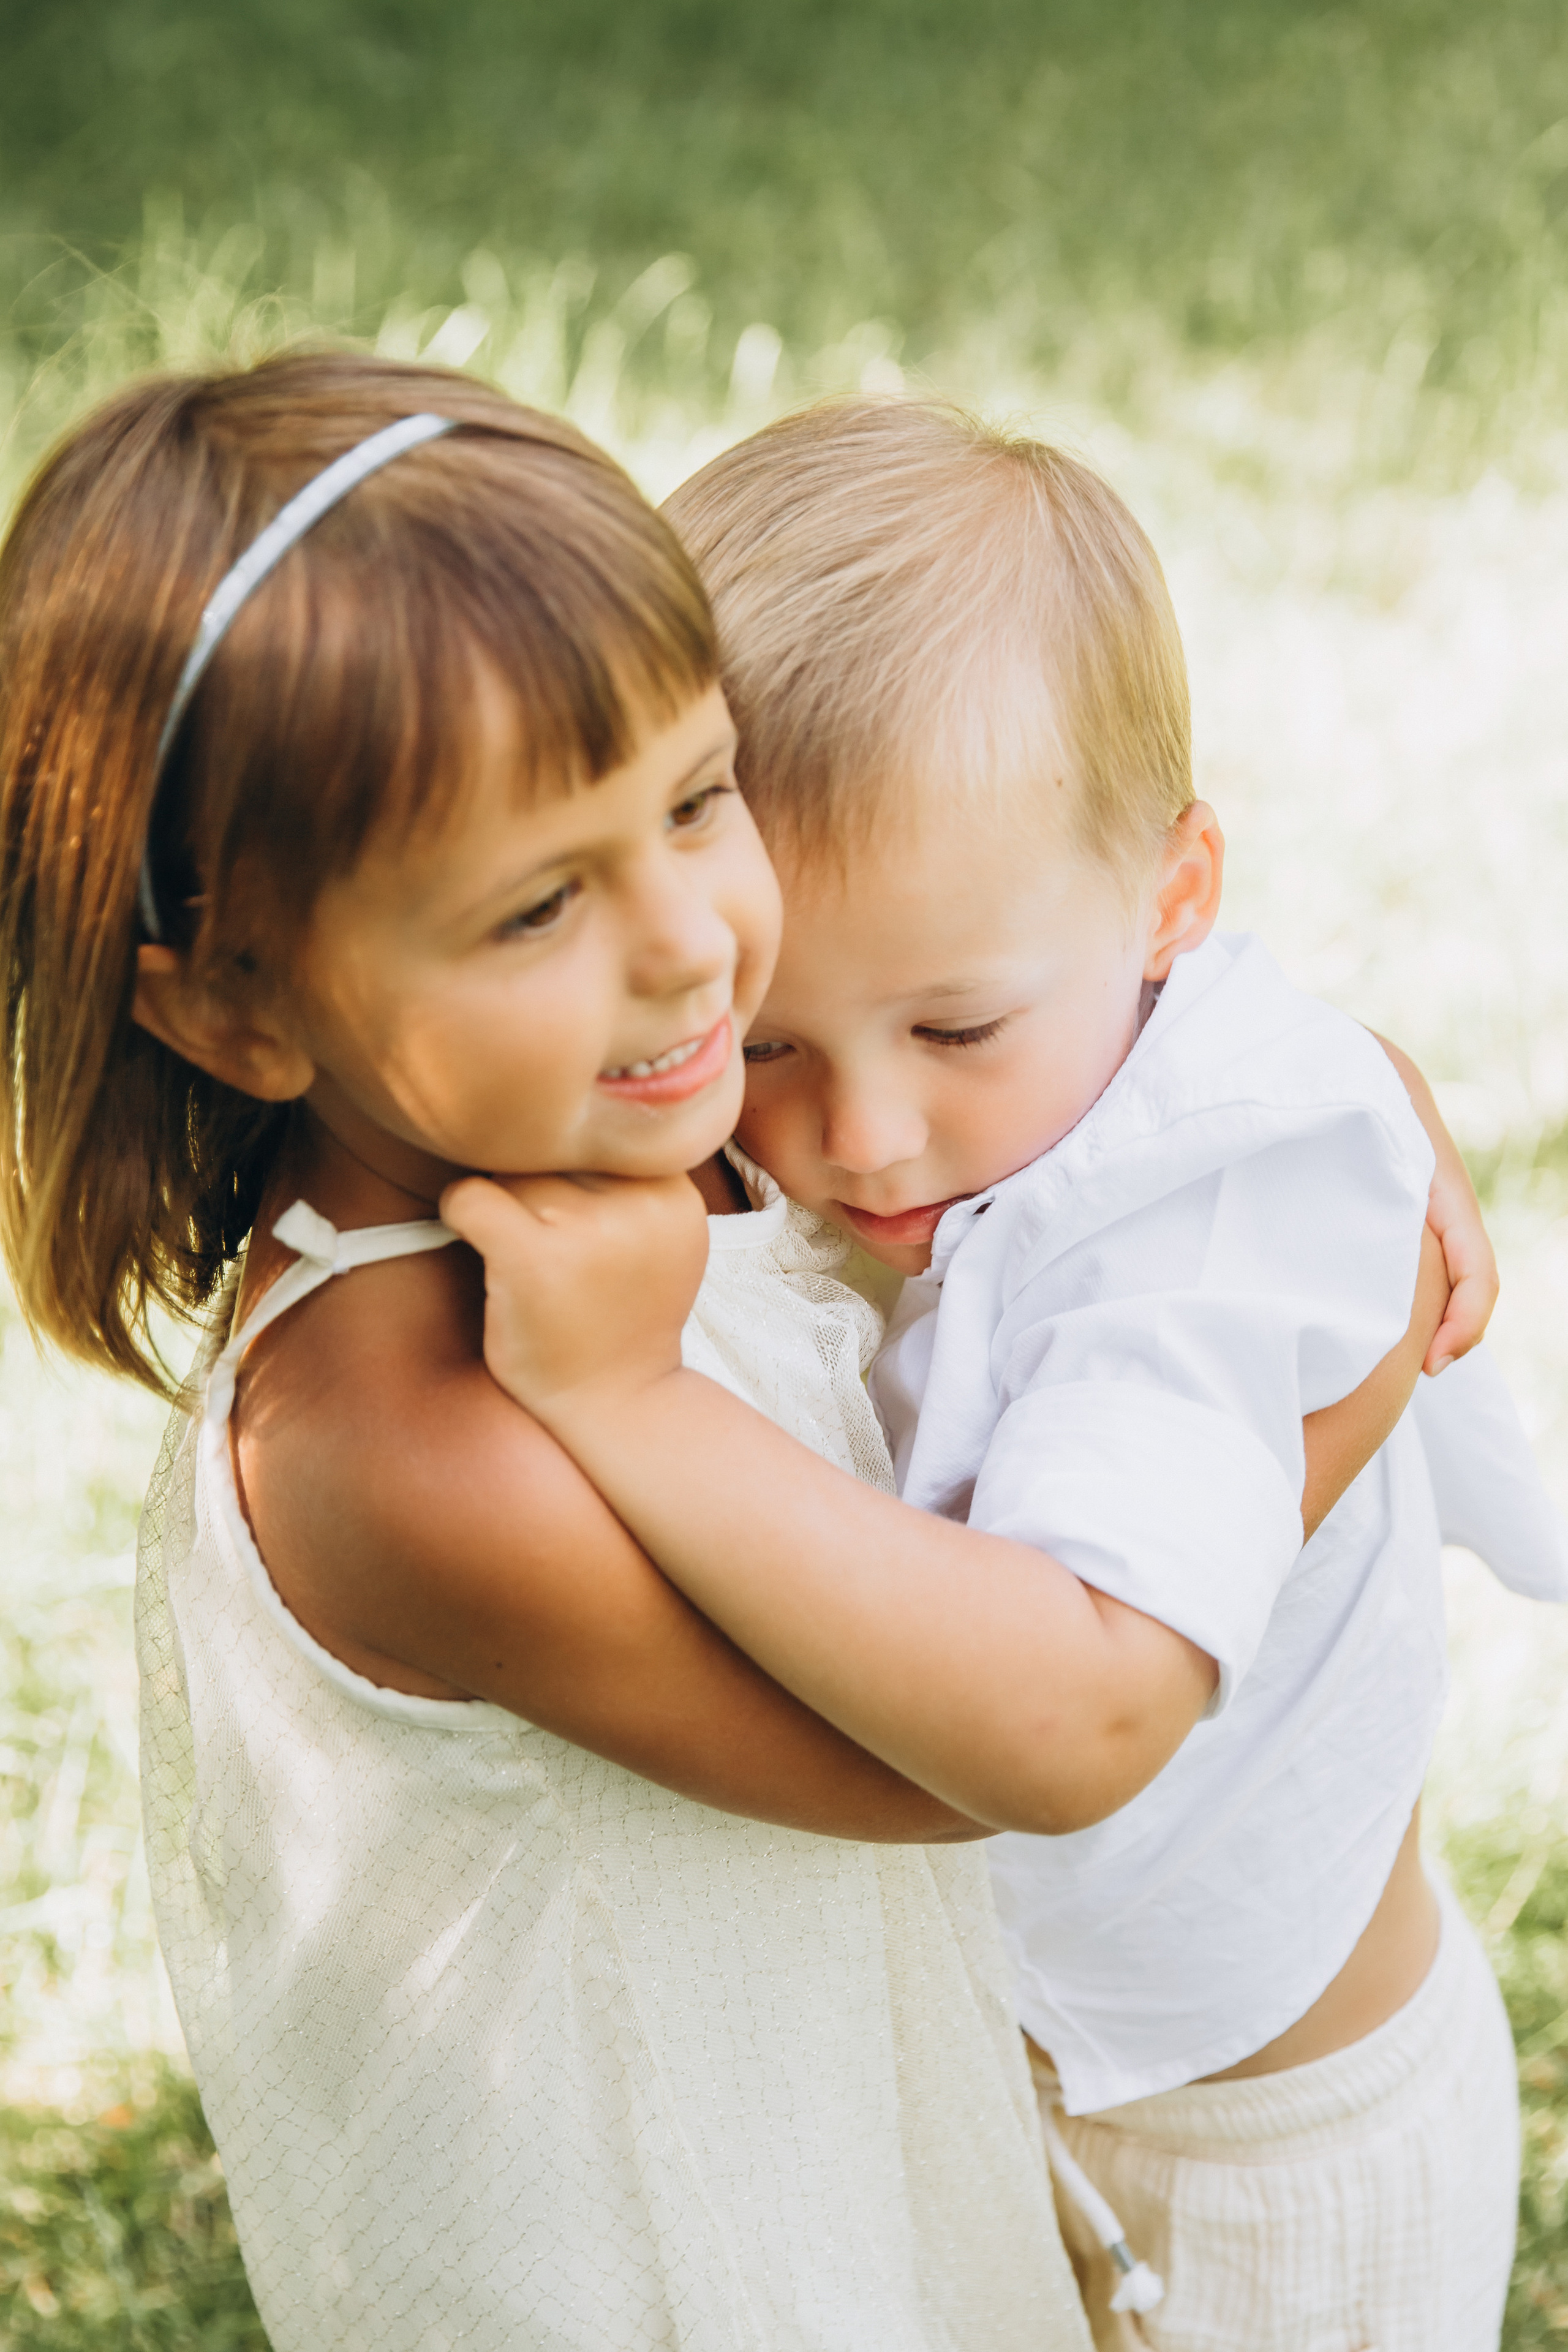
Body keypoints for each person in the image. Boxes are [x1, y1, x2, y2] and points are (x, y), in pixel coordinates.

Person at [442, 398, 1567, 2352]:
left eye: (955, 1025)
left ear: (1174, 902)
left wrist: (633, 1406)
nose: (864, 1135)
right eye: (764, 1039)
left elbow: (1077, 1716)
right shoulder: (1000, 1063)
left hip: (1250, 2181)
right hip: (1030, 2094)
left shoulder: (1207, 1215)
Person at [0, 354, 1097, 2351]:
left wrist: (1344, 1120)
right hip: (663, 2277)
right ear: (242, 1009)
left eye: (699, 797)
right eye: (536, 907)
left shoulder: (625, 1122)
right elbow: (959, 1754)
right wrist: (1341, 1375)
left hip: (821, 2161)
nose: (687, 942)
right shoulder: (407, 1441)